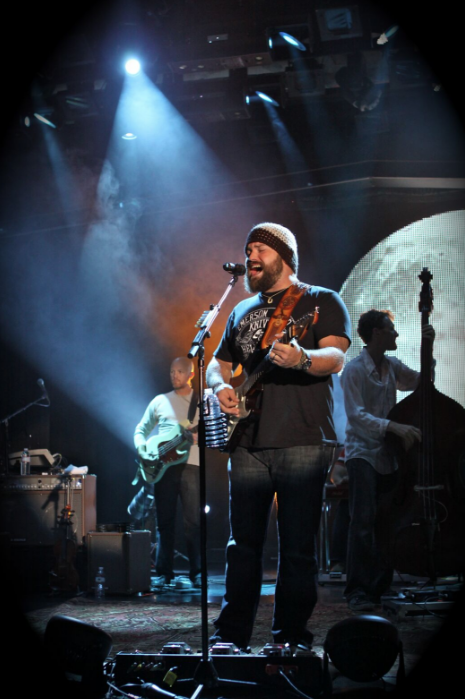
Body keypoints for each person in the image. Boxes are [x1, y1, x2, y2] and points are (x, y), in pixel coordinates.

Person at [206, 222, 351, 651]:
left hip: (303, 438)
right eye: (247, 250)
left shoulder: (320, 300)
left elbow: (337, 356)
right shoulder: (240, 310)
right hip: (248, 440)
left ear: (282, 256)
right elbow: (217, 362)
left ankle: (290, 638)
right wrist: (220, 387)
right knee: (242, 546)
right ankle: (230, 636)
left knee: (297, 547)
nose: (250, 257)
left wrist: (302, 357)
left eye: (258, 250)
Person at [342, 309, 435, 611]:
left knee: (385, 522)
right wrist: (392, 427)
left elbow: (420, 383)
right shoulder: (354, 370)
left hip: (387, 456)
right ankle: (357, 589)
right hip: (362, 454)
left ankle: (378, 587)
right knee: (363, 522)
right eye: (391, 329)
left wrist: (428, 352)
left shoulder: (391, 366)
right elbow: (356, 416)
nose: (395, 334)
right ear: (377, 333)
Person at [133, 357, 201, 590]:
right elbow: (140, 430)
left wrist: (198, 437)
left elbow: (213, 432)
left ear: (191, 374)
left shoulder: (200, 402)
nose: (174, 375)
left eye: (180, 371)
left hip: (192, 465)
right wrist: (142, 448)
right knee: (165, 521)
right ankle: (164, 573)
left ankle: (198, 572)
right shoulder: (159, 401)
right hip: (163, 468)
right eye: (172, 371)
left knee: (193, 522)